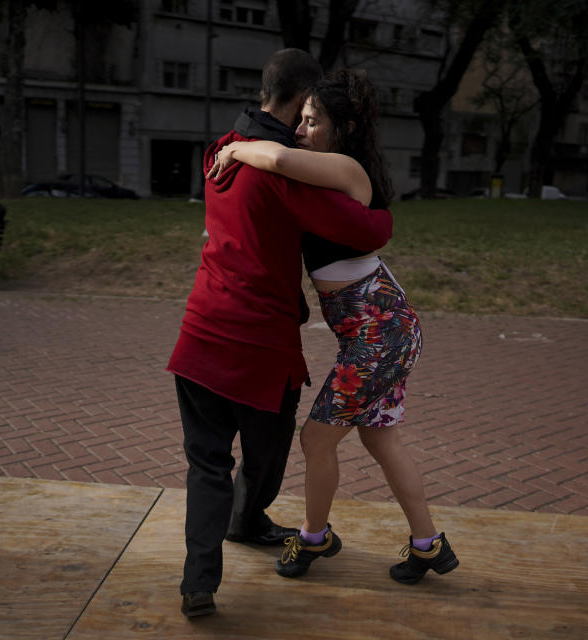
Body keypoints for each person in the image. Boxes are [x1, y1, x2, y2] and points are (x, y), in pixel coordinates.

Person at [209, 69, 459, 585]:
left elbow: (275, 157)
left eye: (312, 120)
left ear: (342, 126)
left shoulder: (346, 166)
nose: (300, 129)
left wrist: (233, 151)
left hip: (378, 332)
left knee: (317, 440)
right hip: (382, 328)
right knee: (381, 439)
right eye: (298, 118)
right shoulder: (325, 171)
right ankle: (428, 545)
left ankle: (313, 538)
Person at [167, 49, 394, 618]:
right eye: (307, 114)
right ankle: (246, 521)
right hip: (259, 345)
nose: (304, 125)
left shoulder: (219, 149)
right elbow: (367, 226)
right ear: (298, 101)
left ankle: (200, 581)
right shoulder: (283, 170)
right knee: (265, 455)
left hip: (197, 334)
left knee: (206, 464)